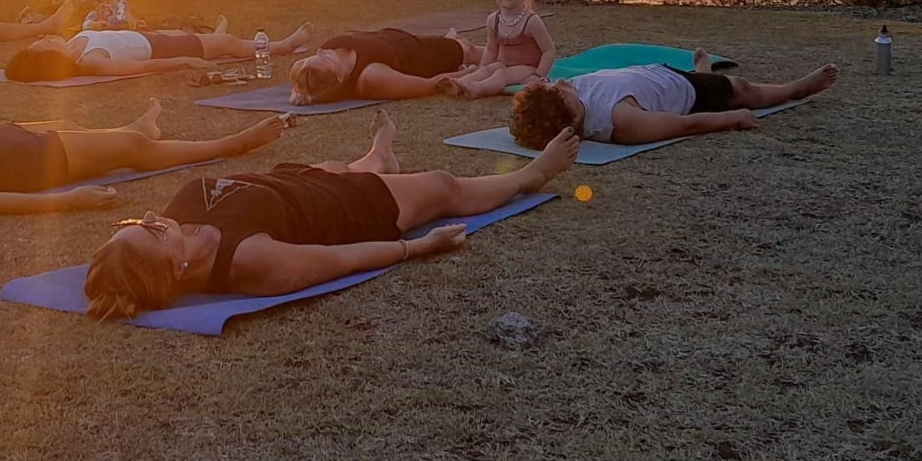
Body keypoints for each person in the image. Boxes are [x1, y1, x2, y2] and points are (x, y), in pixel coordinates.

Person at [83, 112, 580, 320]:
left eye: (132, 224)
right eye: (148, 230)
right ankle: (530, 176)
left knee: (336, 166)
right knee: (442, 185)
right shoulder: (249, 261)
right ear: (177, 269)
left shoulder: (176, 225)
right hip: (356, 207)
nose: (149, 216)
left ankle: (379, 154)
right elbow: (338, 259)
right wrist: (416, 247)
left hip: (298, 182)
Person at [0, 98, 288, 219]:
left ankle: (135, 126)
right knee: (133, 148)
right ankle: (230, 145)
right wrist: (66, 200)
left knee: (66, 121)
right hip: (12, 163)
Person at [508, 49, 839, 149]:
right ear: (568, 110)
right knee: (740, 89)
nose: (562, 81)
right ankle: (795, 89)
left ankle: (703, 67)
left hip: (655, 73)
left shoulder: (571, 96)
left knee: (708, 75)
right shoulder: (621, 121)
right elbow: (685, 123)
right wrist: (732, 118)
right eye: (558, 89)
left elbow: (532, 113)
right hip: (688, 91)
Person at [3, 18, 312, 82]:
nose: (46, 38)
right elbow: (142, 68)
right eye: (44, 44)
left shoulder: (74, 45)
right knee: (227, 44)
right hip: (163, 49)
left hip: (150, 36)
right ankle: (284, 46)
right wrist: (184, 62)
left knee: (209, 40)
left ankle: (216, 40)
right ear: (52, 59)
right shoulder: (91, 62)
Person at [439, 0, 555, 99]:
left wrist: (537, 75)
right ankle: (458, 84)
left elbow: (549, 51)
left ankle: (478, 88)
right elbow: (491, 49)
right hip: (503, 64)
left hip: (527, 67)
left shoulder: (531, 21)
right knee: (488, 69)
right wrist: (482, 68)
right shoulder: (493, 20)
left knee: (501, 75)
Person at [289, 26, 482, 105]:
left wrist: (300, 91)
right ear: (339, 77)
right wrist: (469, 75)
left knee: (461, 45)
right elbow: (430, 84)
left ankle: (452, 40)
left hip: (398, 38)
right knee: (469, 50)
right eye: (324, 58)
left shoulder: (314, 66)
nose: (322, 51)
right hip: (423, 56)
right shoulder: (370, 78)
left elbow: (303, 83)